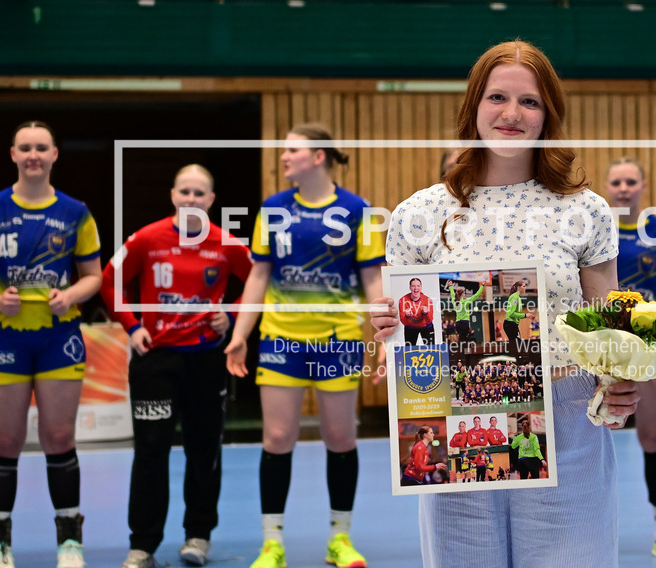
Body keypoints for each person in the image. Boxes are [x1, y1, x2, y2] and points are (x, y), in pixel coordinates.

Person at [368, 39, 639, 566]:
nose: (511, 114)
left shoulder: (586, 210)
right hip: (456, 416)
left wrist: (623, 381)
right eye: (497, 98)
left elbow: (609, 327)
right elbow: (404, 340)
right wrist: (386, 329)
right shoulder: (417, 213)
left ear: (549, 115)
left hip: (567, 422)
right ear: (473, 106)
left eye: (530, 102)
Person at [223, 122, 384, 568]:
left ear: (318, 157)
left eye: (291, 150)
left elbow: (373, 278)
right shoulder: (273, 209)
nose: (283, 157)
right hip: (282, 338)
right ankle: (272, 543)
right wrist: (239, 336)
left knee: (339, 435)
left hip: (338, 339)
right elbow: (258, 275)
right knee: (277, 437)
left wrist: (387, 336)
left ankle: (340, 538)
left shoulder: (358, 210)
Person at [101, 164, 252, 568]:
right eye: (184, 192)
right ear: (172, 196)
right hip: (156, 361)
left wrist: (233, 314)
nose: (191, 199)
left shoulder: (226, 243)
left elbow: (260, 282)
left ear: (211, 201)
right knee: (151, 450)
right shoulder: (146, 239)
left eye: (199, 193)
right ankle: (142, 545)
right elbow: (108, 281)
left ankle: (198, 536)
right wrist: (132, 326)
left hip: (205, 361)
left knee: (204, 450)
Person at [0, 121, 102, 568]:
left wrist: (71, 296)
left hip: (59, 337)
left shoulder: (76, 211)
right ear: (13, 154)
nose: (33, 155)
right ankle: (3, 543)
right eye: (25, 148)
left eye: (41, 147)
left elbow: (95, 276)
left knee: (59, 435)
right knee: (6, 438)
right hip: (7, 338)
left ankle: (69, 542)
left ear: (55, 154)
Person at [604, 156, 656, 564]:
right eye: (617, 181)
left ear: (643, 185)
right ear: (607, 186)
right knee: (588, 438)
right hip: (602, 346)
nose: (623, 188)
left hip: (650, 345)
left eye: (630, 181)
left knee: (653, 437)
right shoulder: (592, 226)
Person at [398, 277, 434, 345]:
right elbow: (403, 321)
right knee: (409, 351)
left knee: (431, 350)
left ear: (421, 287)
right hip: (411, 327)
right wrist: (407, 316)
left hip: (426, 326)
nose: (416, 288)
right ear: (410, 287)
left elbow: (430, 320)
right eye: (413, 286)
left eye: (418, 286)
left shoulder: (428, 300)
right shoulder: (403, 300)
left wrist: (425, 313)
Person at [503, 280, 534, 345]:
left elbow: (516, 313)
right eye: (524, 286)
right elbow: (511, 313)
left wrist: (526, 315)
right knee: (517, 344)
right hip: (510, 323)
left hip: (513, 324)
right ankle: (515, 355)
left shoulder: (518, 297)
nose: (525, 288)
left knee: (517, 344)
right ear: (519, 287)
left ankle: (516, 354)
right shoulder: (514, 297)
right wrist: (525, 315)